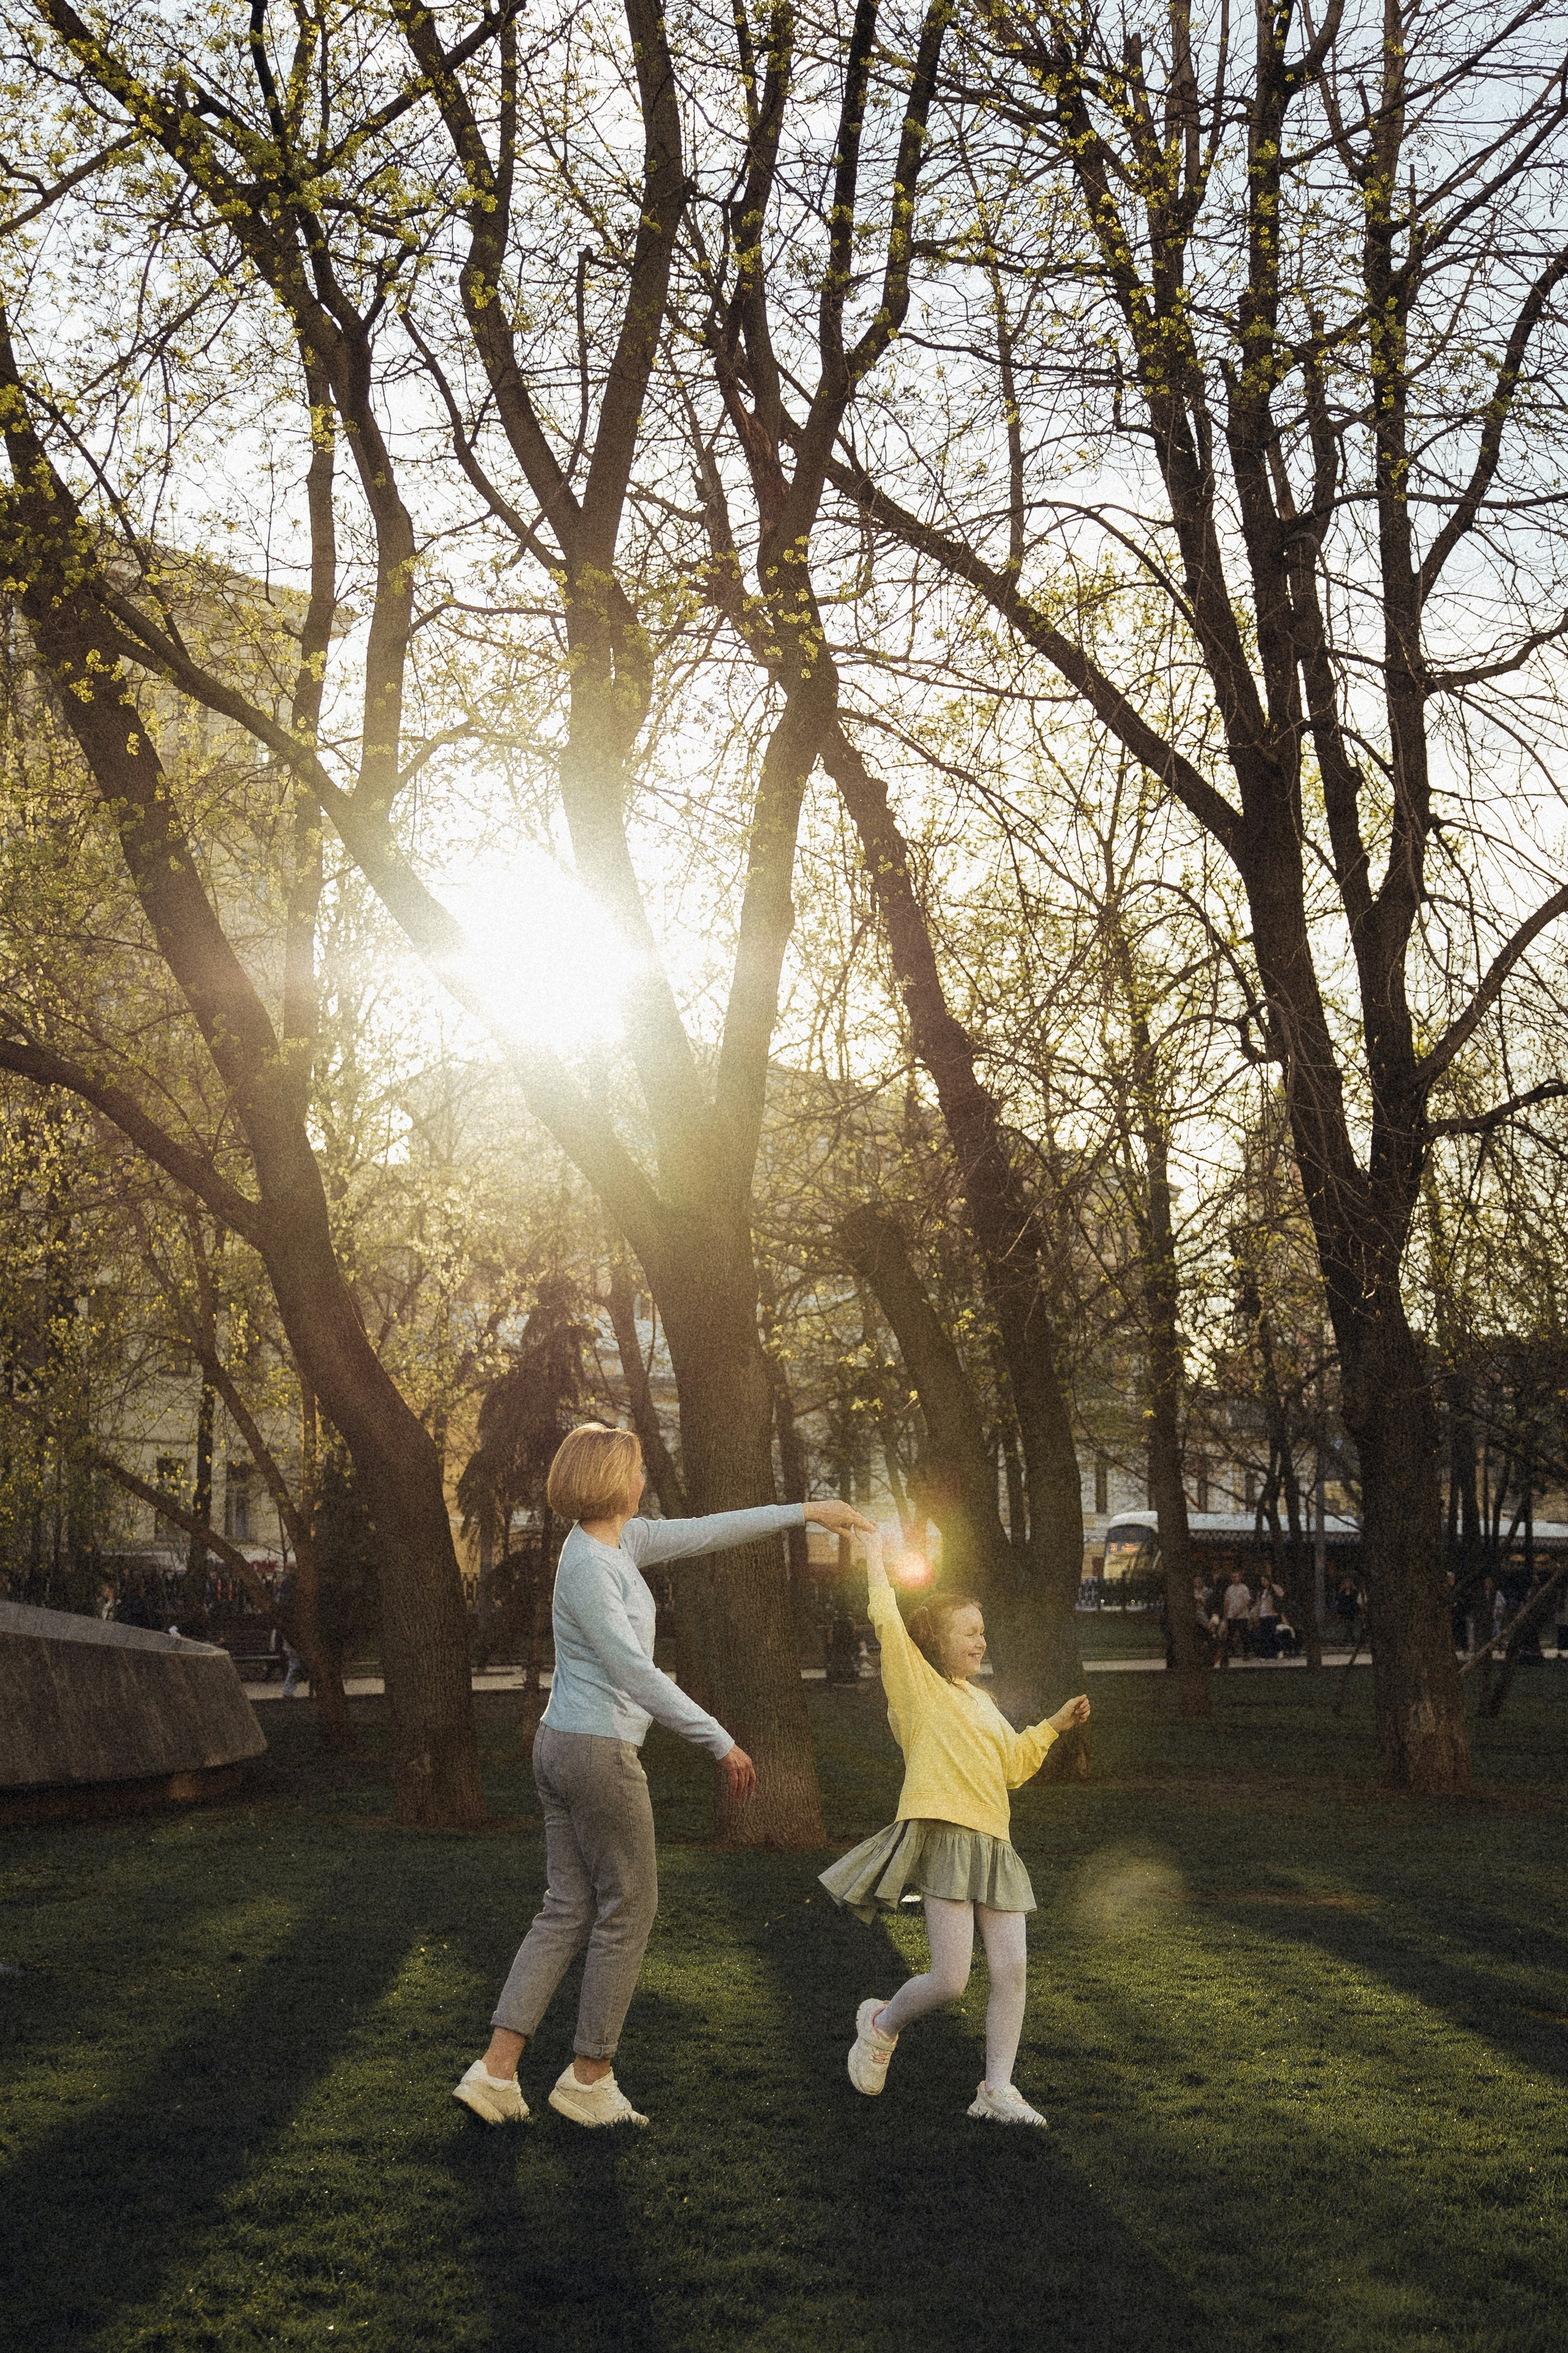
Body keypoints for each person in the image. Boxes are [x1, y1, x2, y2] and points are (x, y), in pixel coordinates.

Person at [454, 1422, 873, 2131]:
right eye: (638, 1465)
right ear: (613, 1477)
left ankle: (495, 2073)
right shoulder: (589, 1564)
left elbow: (710, 1530)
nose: (643, 1476)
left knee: (567, 1907)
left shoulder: (623, 1542)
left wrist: (805, 1512)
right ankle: (590, 2077)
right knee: (630, 1908)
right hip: (594, 1753)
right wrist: (720, 1741)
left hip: (564, 1744)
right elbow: (631, 1671)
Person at [820, 1532, 1090, 2128]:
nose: (981, 1640)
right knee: (949, 1980)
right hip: (946, 1840)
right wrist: (873, 1557)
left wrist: (1052, 1724)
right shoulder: (917, 1689)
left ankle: (995, 2090)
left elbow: (1014, 1767)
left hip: (995, 1846)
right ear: (935, 1641)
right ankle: (880, 2023)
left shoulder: (982, 1702)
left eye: (982, 1629)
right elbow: (886, 1618)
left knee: (1012, 1971)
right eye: (969, 1631)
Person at [1215, 1569, 1253, 1667]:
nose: (1235, 1578)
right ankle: (1226, 1653)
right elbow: (1227, 1603)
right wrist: (1225, 1616)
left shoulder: (1244, 1588)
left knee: (1244, 1634)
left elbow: (1247, 1601)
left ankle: (1246, 1652)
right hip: (1231, 1616)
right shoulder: (1230, 1589)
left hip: (1242, 1616)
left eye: (1236, 1576)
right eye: (1233, 1577)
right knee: (1230, 1635)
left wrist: (1240, 1611)